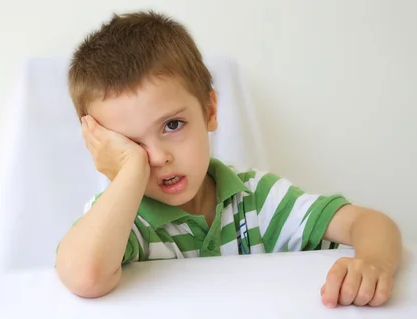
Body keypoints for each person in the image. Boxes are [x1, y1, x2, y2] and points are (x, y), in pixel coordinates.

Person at [55, 11, 402, 308]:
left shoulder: (256, 197)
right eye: (130, 144)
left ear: (210, 110)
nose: (158, 157)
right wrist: (130, 172)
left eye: (172, 125)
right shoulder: (122, 220)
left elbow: (370, 223)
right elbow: (85, 276)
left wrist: (373, 262)